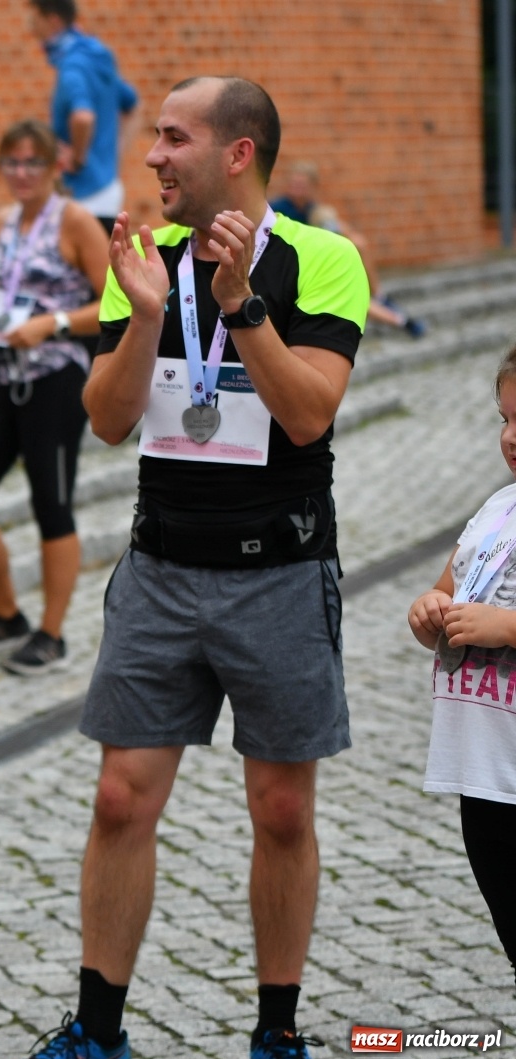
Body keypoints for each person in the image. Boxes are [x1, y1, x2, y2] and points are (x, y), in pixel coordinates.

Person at [12, 78, 368, 1059]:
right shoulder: (147, 259)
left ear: (236, 153)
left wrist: (239, 307)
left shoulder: (324, 261)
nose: (154, 155)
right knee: (119, 797)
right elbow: (108, 416)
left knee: (281, 807)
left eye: (174, 138)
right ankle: (96, 1029)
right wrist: (140, 315)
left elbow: (307, 414)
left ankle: (276, 1030)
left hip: (280, 570)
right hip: (163, 565)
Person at [0, 119, 108, 675]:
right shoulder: (2, 222)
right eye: (11, 163)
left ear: (55, 167)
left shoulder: (77, 220)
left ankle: (51, 632)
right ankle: (5, 613)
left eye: (31, 163)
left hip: (55, 380)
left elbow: (116, 304)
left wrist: (53, 323)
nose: (20, 173)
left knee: (51, 504)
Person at [410, 347, 516, 993]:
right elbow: (446, 591)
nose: (512, 436)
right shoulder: (498, 508)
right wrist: (428, 611)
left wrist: (508, 627)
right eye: (504, 418)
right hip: (485, 774)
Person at [270, 160, 425, 337]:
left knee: (357, 248)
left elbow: (344, 233)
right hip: (293, 271)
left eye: (302, 185)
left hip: (315, 266)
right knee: (352, 293)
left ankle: (381, 297)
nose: (296, 189)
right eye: (294, 184)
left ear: (313, 187)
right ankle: (402, 321)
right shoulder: (278, 209)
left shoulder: (315, 211)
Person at [26, 0, 139, 231]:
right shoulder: (96, 57)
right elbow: (133, 104)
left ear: (53, 21)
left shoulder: (72, 66)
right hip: (107, 187)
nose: (31, 27)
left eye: (35, 19)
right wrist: (116, 154)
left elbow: (83, 117)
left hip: (83, 194)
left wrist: (78, 158)